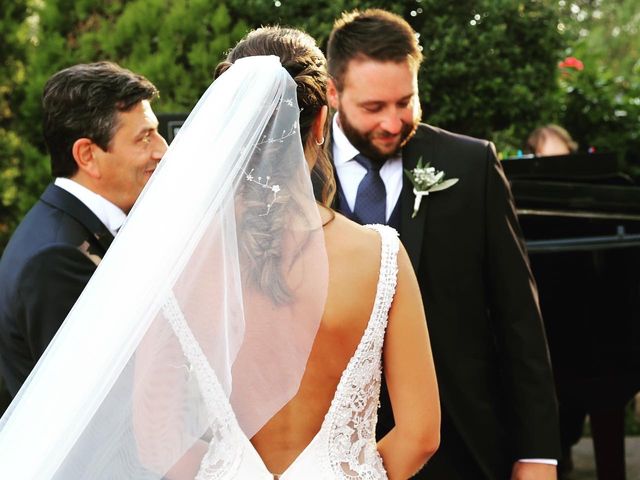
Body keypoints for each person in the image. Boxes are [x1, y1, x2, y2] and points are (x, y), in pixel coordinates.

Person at [0, 28, 439, 480]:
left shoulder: (181, 259)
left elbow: (156, 440)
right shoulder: (380, 255)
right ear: (321, 123)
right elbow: (421, 434)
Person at [326, 9, 561, 480]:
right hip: (332, 445)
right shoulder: (297, 180)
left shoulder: (471, 165)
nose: (393, 123)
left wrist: (539, 453)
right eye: (374, 108)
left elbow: (518, 316)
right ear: (333, 92)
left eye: (405, 102)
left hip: (462, 440)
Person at [0, 61, 167, 398]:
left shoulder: (72, 229)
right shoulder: (55, 258)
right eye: (144, 137)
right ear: (88, 155)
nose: (162, 150)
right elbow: (93, 406)